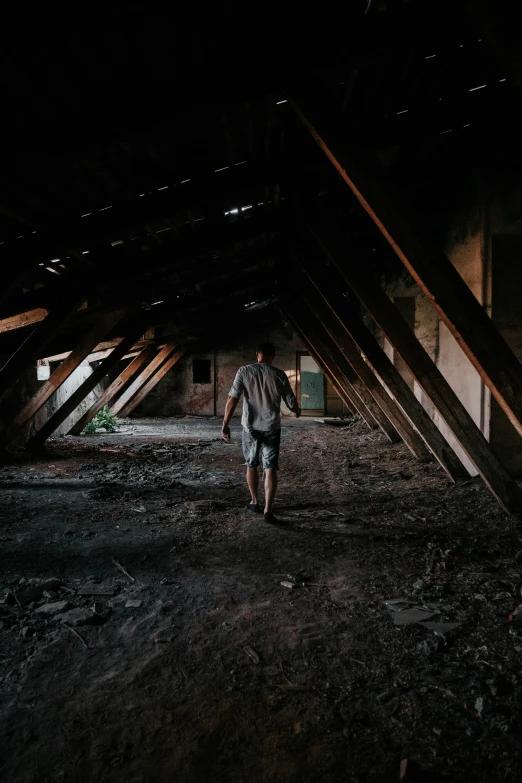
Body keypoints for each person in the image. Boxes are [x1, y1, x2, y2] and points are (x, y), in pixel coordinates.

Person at [221, 342, 301, 524]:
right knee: (270, 467)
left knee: (251, 463)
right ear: (273, 356)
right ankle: (268, 510)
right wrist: (296, 410)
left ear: (257, 354)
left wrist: (225, 423)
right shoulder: (279, 374)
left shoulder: (244, 371)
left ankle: (255, 501)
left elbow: (232, 398)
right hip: (272, 427)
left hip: (250, 427)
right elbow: (290, 400)